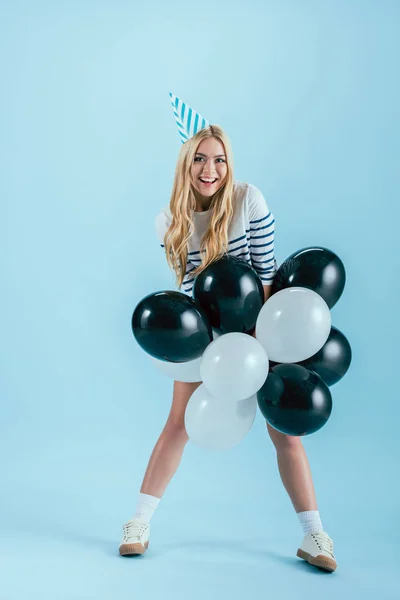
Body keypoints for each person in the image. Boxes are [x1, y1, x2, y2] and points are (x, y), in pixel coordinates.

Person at [119, 94, 337, 572]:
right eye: (200, 158)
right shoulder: (170, 222)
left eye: (219, 159)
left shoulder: (248, 199)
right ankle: (138, 523)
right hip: (210, 331)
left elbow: (264, 274)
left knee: (286, 436)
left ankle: (315, 536)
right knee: (178, 424)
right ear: (186, 164)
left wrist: (257, 346)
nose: (210, 169)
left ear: (228, 164)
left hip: (266, 326)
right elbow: (191, 285)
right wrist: (217, 346)